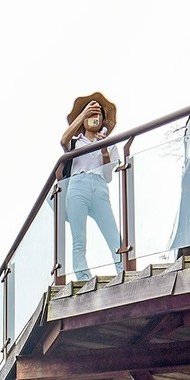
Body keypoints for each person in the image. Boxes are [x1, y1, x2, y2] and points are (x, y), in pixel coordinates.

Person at [60, 93, 121, 284]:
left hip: (100, 187)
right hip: (78, 186)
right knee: (79, 239)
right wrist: (83, 113)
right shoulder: (76, 141)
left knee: (113, 234)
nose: (94, 118)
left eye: (97, 114)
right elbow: (63, 141)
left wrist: (103, 150)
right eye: (90, 114)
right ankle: (82, 277)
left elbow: (109, 176)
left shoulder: (109, 144)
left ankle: (122, 269)